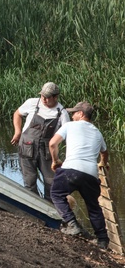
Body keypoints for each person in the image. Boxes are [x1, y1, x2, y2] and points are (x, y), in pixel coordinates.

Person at [49, 101, 109, 249]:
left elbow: (52, 144)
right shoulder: (97, 132)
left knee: (56, 194)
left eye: (74, 112)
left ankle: (72, 224)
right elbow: (105, 152)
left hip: (70, 169)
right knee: (93, 207)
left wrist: (55, 160)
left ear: (81, 114)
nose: (72, 115)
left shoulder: (69, 126)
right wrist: (102, 163)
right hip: (90, 174)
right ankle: (102, 240)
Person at [11, 82, 70, 200]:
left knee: (51, 183)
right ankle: (33, 210)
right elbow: (17, 114)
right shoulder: (32, 103)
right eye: (43, 96)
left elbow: (68, 135)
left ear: (55, 97)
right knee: (29, 181)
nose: (44, 99)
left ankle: (50, 210)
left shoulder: (62, 112)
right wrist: (17, 132)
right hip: (27, 147)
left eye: (47, 97)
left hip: (47, 152)